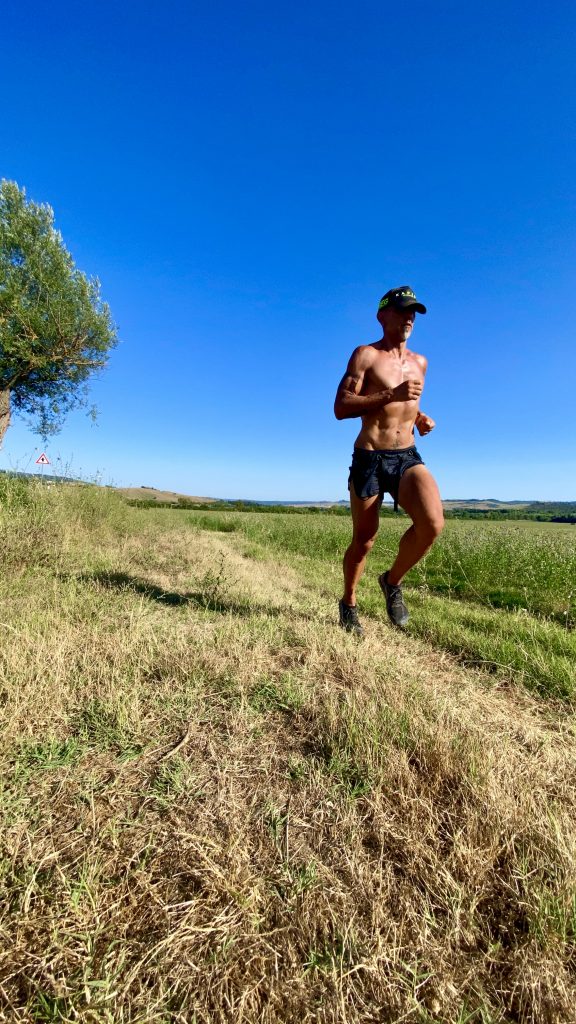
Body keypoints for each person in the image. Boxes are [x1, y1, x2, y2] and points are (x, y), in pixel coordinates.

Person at [334, 285, 444, 636]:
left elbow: (406, 404)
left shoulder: (420, 362)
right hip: (369, 456)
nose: (409, 317)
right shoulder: (365, 354)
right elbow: (341, 407)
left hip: (406, 455)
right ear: (383, 315)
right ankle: (348, 603)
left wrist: (419, 417)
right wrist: (389, 395)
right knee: (364, 539)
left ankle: (391, 581)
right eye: (402, 310)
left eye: (414, 312)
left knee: (432, 524)